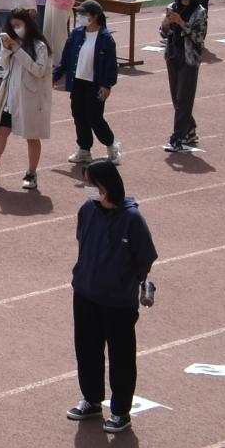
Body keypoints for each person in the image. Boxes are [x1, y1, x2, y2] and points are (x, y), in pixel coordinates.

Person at [69, 157, 158, 432]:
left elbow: (145, 256)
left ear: (106, 185)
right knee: (87, 349)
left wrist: (126, 281)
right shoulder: (87, 210)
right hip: (85, 293)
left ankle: (120, 411)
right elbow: (82, 240)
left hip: (118, 301)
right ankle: (92, 400)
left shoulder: (132, 219)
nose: (87, 188)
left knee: (121, 356)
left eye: (90, 184)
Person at [0, 8, 52, 190]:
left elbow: (38, 70)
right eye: (12, 26)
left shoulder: (39, 46)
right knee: (1, 131)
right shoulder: (12, 42)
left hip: (30, 99)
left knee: (32, 136)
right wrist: (8, 49)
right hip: (10, 97)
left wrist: (18, 50)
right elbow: (4, 65)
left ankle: (31, 174)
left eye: (18, 25)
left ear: (27, 24)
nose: (16, 29)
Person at [55, 0, 121, 165]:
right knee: (78, 115)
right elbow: (65, 59)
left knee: (94, 118)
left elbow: (111, 65)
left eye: (84, 14)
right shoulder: (76, 34)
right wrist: (54, 77)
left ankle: (111, 146)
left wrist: (107, 85)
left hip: (95, 85)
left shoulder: (105, 38)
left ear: (95, 16)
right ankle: (84, 149)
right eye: (79, 14)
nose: (80, 17)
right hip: (78, 82)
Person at [160, 0, 209, 154]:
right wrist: (166, 23)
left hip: (189, 59)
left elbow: (199, 37)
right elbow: (163, 33)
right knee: (176, 97)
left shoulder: (199, 12)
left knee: (184, 100)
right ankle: (190, 130)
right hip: (173, 55)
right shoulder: (173, 7)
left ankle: (177, 138)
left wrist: (182, 23)